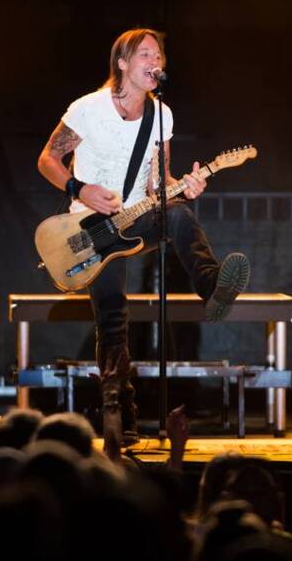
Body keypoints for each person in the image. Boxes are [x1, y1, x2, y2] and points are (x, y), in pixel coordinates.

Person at [37, 28, 250, 449]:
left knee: (179, 214)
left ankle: (213, 289)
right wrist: (80, 189)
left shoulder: (161, 114)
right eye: (145, 54)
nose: (156, 62)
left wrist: (187, 185)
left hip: (136, 216)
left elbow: (159, 183)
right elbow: (48, 159)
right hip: (90, 226)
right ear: (122, 62)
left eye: (159, 55)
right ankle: (122, 413)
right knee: (112, 315)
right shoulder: (89, 108)